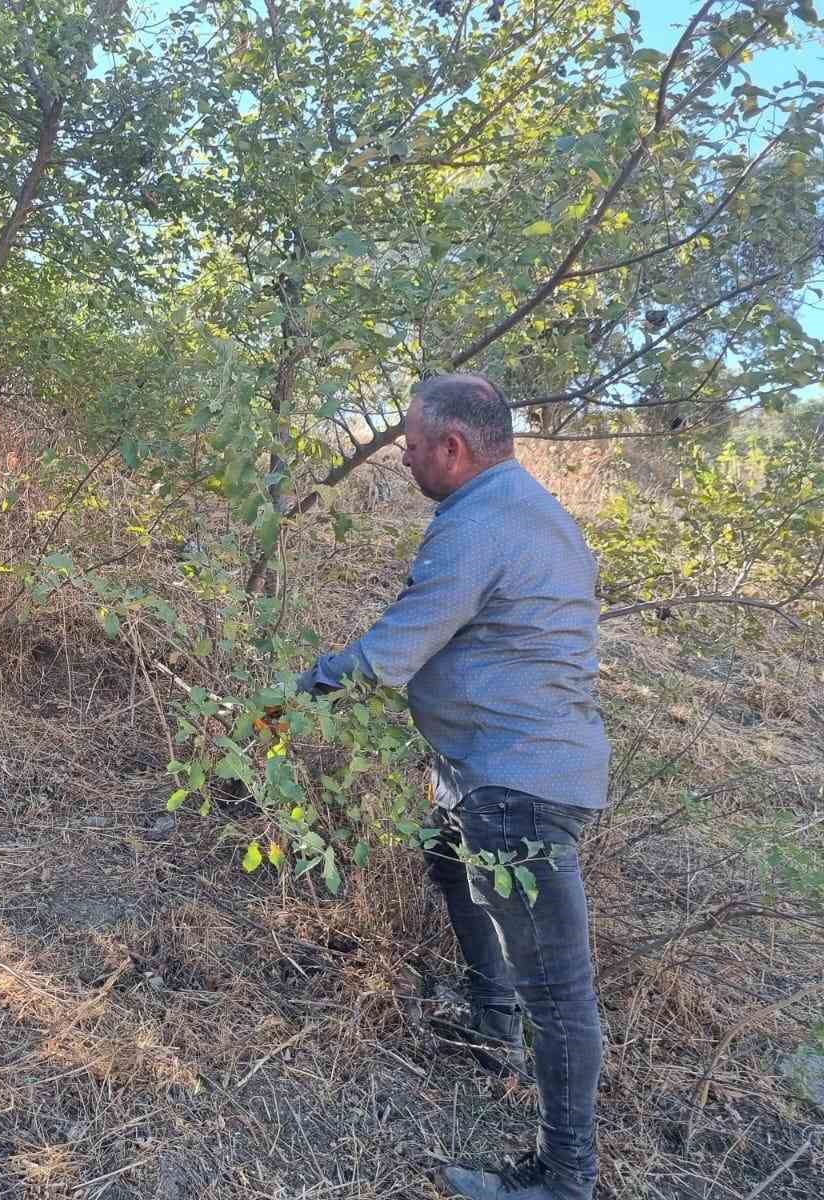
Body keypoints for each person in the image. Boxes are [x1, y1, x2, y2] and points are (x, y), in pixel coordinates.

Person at [294, 373, 609, 1200]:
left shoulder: (479, 525)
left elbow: (390, 655)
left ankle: (566, 1179)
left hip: (520, 779)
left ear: (454, 447)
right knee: (444, 850)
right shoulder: (525, 508)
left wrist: (300, 692)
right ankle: (489, 1021)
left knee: (561, 989)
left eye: (409, 440)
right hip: (491, 767)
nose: (401, 453)